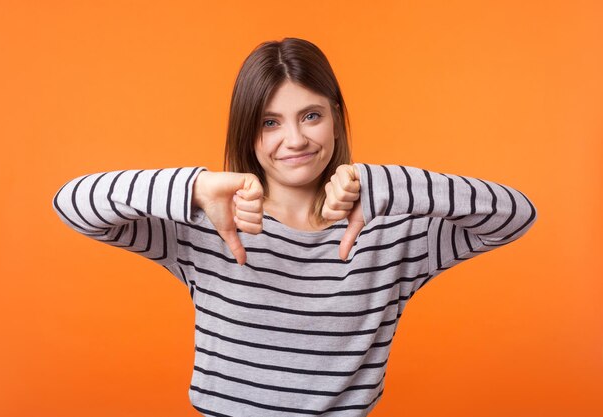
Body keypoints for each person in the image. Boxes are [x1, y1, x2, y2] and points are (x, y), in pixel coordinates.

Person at [52, 37, 538, 417]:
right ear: (247, 131)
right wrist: (196, 189)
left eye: (311, 116)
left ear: (336, 121)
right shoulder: (207, 229)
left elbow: (515, 214)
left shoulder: (393, 236)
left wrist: (380, 184)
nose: (296, 139)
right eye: (270, 122)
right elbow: (72, 204)